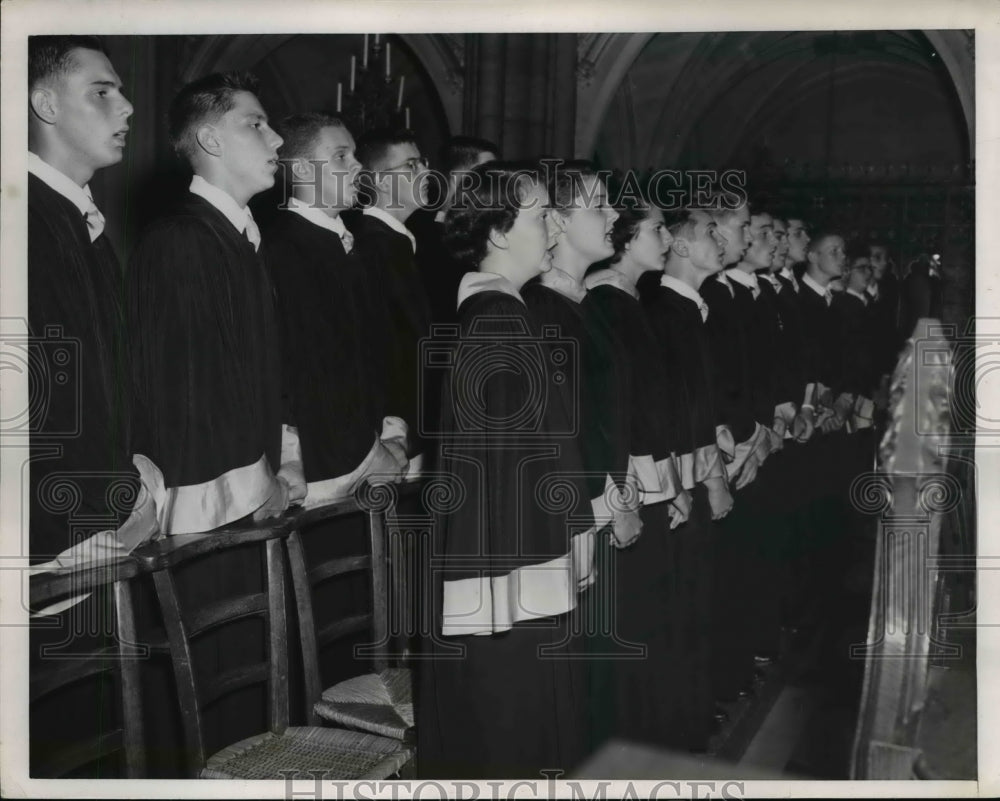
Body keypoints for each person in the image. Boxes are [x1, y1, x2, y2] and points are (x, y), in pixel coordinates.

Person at [416, 162, 594, 779]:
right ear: (496, 230)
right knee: (509, 725)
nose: (553, 228)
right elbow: (500, 474)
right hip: (508, 568)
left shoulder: (505, 312)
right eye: (542, 215)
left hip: (518, 556)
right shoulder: (496, 318)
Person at [128, 71, 292, 534]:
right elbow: (191, 393)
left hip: (250, 500)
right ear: (210, 139)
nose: (277, 139)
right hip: (211, 509)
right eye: (255, 124)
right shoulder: (182, 238)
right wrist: (260, 486)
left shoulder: (236, 237)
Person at [27, 36, 159, 568]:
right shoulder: (25, 219)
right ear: (47, 105)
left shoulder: (86, 226)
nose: (126, 106)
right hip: (54, 538)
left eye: (122, 91)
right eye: (101, 92)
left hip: (103, 524)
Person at [582, 199, 691, 749]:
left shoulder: (628, 298)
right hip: (630, 482)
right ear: (625, 238)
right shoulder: (605, 299)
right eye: (656, 229)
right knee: (631, 612)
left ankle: (648, 734)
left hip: (650, 478)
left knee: (648, 609)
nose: (667, 238)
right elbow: (612, 411)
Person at [263, 112, 408, 505]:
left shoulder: (352, 246)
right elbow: (307, 372)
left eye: (355, 154)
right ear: (303, 170)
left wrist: (393, 433)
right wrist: (370, 451)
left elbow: (378, 355)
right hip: (326, 469)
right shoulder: (283, 250)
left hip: (372, 455)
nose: (358, 165)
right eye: (342, 155)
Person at [640, 206, 733, 751]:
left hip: (693, 476)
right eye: (709, 234)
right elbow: (677, 415)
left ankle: (690, 717)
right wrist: (707, 479)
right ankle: (677, 726)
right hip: (682, 482)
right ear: (678, 247)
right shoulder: (667, 312)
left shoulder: (689, 309)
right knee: (681, 604)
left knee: (697, 601)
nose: (720, 242)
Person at [353, 128, 434, 471]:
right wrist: (396, 429)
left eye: (424, 162)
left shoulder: (397, 243)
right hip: (393, 438)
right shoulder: (373, 247)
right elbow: (377, 350)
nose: (426, 173)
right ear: (382, 182)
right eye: (412, 166)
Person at [408, 135, 499, 326]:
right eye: (488, 176)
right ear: (458, 178)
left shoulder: (485, 232)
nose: (495, 187)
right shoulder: (421, 238)